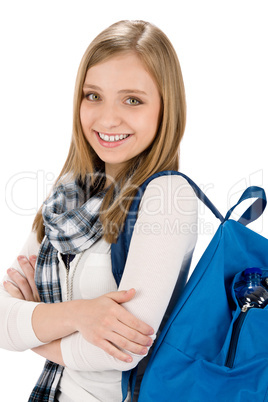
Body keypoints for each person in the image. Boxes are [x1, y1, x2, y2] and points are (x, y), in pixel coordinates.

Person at [0, 20, 197, 401]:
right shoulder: (66, 197)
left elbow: (120, 351)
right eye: (93, 96)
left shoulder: (167, 197)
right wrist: (80, 315)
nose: (108, 119)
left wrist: (33, 330)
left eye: (132, 100)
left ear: (165, 108)